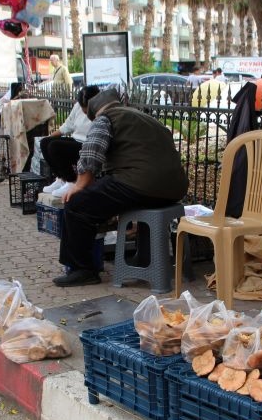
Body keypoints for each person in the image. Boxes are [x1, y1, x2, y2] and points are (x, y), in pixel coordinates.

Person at [53, 88, 189, 287]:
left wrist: (80, 185)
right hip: (174, 189)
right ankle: (144, 257)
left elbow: (91, 154)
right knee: (102, 195)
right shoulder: (144, 118)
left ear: (94, 111)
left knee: (76, 205)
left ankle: (83, 270)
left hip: (139, 184)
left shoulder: (105, 118)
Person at [39, 85, 101, 197]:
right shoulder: (78, 106)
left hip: (89, 145)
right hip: (76, 140)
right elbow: (67, 125)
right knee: (45, 143)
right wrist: (49, 138)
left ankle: (72, 181)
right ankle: (61, 179)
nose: (85, 112)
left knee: (55, 147)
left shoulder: (100, 110)